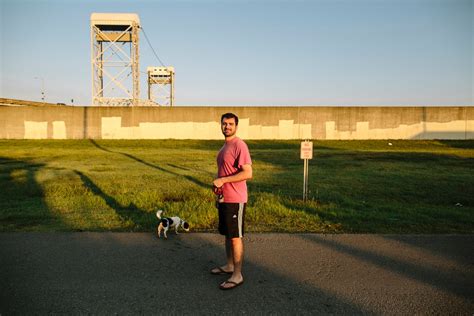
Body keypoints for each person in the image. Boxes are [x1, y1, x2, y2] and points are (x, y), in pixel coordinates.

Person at [211, 112, 252, 290]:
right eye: (224, 123)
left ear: (236, 126)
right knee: (228, 235)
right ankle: (229, 266)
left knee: (235, 237)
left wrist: (224, 180)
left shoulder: (239, 145)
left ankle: (238, 274)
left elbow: (247, 173)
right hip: (225, 198)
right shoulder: (224, 147)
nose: (227, 126)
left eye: (230, 124)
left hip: (237, 199)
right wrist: (219, 190)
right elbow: (224, 172)